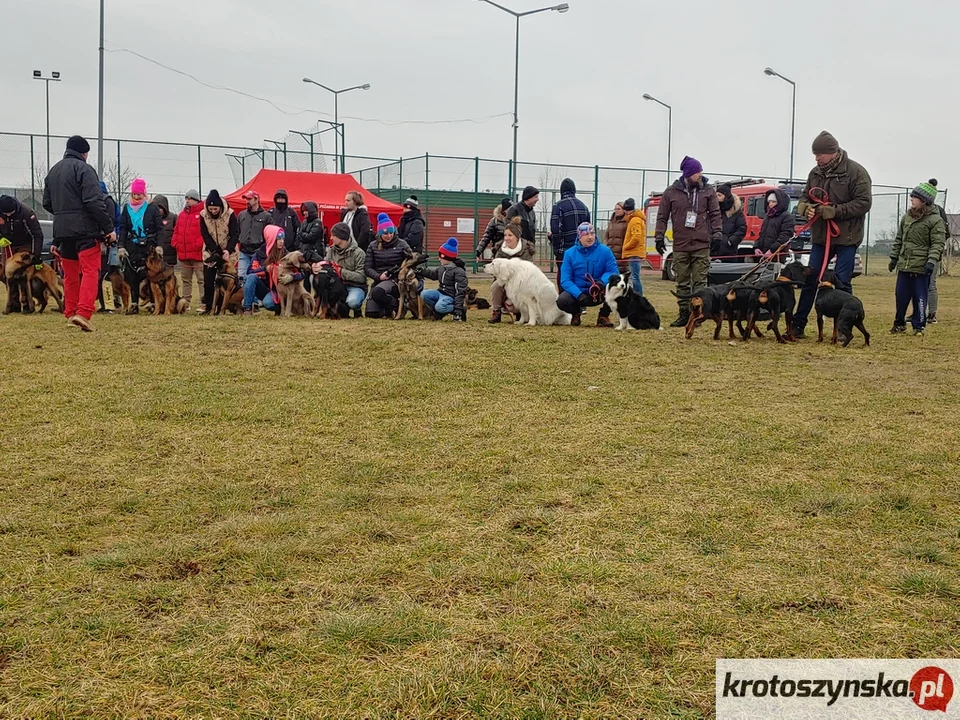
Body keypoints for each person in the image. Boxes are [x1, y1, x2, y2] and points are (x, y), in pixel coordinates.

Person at [792, 131, 872, 338]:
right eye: (815, 154)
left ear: (833, 152)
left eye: (820, 154)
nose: (816, 158)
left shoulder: (856, 172)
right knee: (810, 280)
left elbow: (864, 203)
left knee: (843, 282)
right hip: (820, 237)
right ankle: (797, 325)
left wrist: (835, 211)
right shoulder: (815, 173)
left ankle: (845, 329)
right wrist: (804, 207)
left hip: (847, 238)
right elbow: (805, 195)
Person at [41, 135, 115, 331]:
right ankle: (83, 314)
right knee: (90, 271)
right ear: (85, 153)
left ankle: (70, 312)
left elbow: (47, 202)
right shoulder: (84, 169)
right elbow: (94, 201)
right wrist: (108, 229)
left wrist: (64, 213)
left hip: (62, 231)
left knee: (71, 275)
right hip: (85, 231)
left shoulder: (54, 171)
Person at [654, 156, 722, 327]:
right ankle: (684, 314)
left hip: (701, 243)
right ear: (688, 174)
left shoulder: (708, 191)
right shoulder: (671, 192)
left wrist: (717, 235)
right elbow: (662, 216)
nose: (700, 174)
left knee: (700, 283)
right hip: (681, 244)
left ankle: (697, 316)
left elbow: (715, 214)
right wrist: (659, 237)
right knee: (682, 282)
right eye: (697, 172)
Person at [888, 181, 946, 336]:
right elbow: (899, 239)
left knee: (920, 297)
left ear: (924, 200)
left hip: (922, 267)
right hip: (905, 266)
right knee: (901, 296)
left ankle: (919, 326)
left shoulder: (935, 220)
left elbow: (938, 243)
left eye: (915, 197)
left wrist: (931, 261)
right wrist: (894, 258)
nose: (911, 199)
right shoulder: (906, 217)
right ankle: (899, 323)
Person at [556, 222, 619, 327]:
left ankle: (603, 316)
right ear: (579, 237)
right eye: (586, 234)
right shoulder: (569, 254)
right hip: (578, 294)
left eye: (592, 233)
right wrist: (578, 294)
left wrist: (601, 283)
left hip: (599, 292)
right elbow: (565, 280)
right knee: (562, 301)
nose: (590, 237)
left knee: (617, 289)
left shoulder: (605, 251)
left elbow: (613, 271)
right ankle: (576, 313)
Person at [117, 178, 162, 315]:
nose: (137, 197)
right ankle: (134, 304)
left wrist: (159, 245)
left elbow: (159, 228)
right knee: (132, 275)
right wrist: (121, 246)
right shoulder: (127, 208)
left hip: (149, 246)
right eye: (134, 194)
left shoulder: (152, 208)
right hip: (132, 246)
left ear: (144, 194)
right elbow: (123, 228)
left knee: (151, 275)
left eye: (139, 194)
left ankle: (154, 303)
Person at [0, 194, 44, 314]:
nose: (8, 215)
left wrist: (36, 256)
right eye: (5, 213)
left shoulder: (26, 212)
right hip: (8, 245)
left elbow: (37, 234)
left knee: (23, 276)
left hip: (25, 244)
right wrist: (1, 238)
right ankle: (14, 304)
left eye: (10, 213)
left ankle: (26, 304)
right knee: (8, 275)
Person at [199, 189, 239, 315]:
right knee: (208, 279)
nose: (213, 211)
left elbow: (235, 233)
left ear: (220, 207)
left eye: (215, 209)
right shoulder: (203, 215)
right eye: (211, 209)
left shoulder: (230, 214)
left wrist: (228, 249)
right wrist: (215, 250)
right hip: (211, 251)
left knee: (226, 281)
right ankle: (209, 306)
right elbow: (204, 234)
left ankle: (222, 308)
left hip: (229, 252)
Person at [489, 217, 536, 323]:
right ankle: (496, 311)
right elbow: (496, 270)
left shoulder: (526, 250)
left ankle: (521, 312)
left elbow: (528, 270)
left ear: (517, 237)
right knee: (496, 286)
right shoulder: (500, 250)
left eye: (510, 235)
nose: (506, 238)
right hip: (504, 280)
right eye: (505, 235)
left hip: (522, 283)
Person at [363, 213, 411, 318]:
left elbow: (411, 262)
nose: (389, 236)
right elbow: (367, 267)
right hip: (380, 279)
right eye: (385, 234)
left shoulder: (402, 244)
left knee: (378, 292)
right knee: (371, 314)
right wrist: (378, 276)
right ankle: (387, 309)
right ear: (380, 234)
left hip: (397, 280)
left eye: (391, 232)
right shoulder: (373, 246)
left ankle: (398, 306)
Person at [242, 225, 290, 316]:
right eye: (278, 239)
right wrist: (264, 269)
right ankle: (247, 309)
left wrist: (290, 277)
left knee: (268, 303)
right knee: (251, 277)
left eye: (282, 238)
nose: (281, 241)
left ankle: (280, 307)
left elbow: (300, 273)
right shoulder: (260, 253)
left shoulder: (286, 254)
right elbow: (249, 272)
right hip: (265, 288)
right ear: (270, 238)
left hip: (280, 290)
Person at [171, 189, 205, 311]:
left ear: (196, 200)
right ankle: (186, 303)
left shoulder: (202, 214)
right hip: (183, 254)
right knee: (186, 280)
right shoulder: (182, 215)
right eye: (186, 198)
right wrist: (175, 243)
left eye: (190, 198)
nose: (187, 201)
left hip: (197, 254)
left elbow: (205, 232)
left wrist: (198, 244)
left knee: (201, 279)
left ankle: (204, 302)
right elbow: (176, 230)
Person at [549, 178, 591, 277]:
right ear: (574, 190)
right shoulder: (584, 207)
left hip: (564, 251)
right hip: (581, 250)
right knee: (580, 277)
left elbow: (556, 231)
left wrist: (556, 250)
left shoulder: (558, 206)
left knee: (564, 278)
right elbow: (588, 231)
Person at [325, 222, 368, 318]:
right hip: (337, 287)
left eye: (334, 236)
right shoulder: (331, 251)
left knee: (352, 302)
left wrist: (341, 272)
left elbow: (361, 277)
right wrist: (318, 267)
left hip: (355, 286)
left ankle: (357, 309)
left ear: (341, 237)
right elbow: (326, 265)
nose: (331, 238)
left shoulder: (359, 253)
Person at [421, 238, 468, 321]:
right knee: (424, 294)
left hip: (450, 296)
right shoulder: (442, 268)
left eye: (441, 257)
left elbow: (460, 290)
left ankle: (455, 310)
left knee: (440, 307)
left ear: (448, 258)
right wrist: (421, 271)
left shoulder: (458, 271)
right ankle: (438, 311)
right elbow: (433, 275)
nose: (439, 259)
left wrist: (458, 308)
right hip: (440, 292)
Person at [926, 178, 951, 324]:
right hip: (919, 254)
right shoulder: (916, 211)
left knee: (930, 283)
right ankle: (919, 311)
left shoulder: (938, 212)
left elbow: (945, 233)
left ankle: (932, 313)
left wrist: (935, 247)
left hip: (933, 255)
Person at [96, 181, 121, 313]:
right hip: (99, 242)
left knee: (106, 275)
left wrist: (108, 238)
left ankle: (109, 305)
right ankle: (104, 304)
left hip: (107, 244)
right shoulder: (97, 201)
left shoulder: (107, 202)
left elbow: (109, 222)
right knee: (100, 276)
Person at [237, 190, 273, 281]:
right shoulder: (241, 215)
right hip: (243, 251)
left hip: (258, 252)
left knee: (256, 277)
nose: (247, 201)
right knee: (241, 276)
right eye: (246, 199)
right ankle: (245, 295)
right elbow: (237, 231)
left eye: (249, 199)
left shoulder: (267, 216)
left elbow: (270, 235)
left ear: (256, 199)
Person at [753, 188, 795, 260]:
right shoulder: (767, 215)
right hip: (763, 254)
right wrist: (756, 247)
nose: (770, 204)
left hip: (777, 255)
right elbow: (762, 233)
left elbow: (785, 236)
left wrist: (772, 250)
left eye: (773, 201)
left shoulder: (787, 217)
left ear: (780, 202)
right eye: (769, 202)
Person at [620, 198, 647, 295]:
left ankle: (638, 296)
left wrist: (626, 246)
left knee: (634, 277)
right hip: (635, 252)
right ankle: (637, 295)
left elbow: (636, 237)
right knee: (634, 276)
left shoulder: (635, 220)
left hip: (634, 253)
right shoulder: (634, 219)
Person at [714, 183, 747, 261]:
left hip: (729, 252)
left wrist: (730, 241)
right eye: (716, 195)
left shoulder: (736, 212)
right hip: (713, 249)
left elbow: (742, 228)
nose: (716, 198)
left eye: (719, 195)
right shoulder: (714, 210)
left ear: (726, 196)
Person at [154, 194, 178, 268]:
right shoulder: (150, 219)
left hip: (169, 253)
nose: (158, 210)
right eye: (156, 208)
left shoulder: (173, 217)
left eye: (160, 208)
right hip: (155, 253)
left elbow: (177, 233)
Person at [603, 201, 628, 271]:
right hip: (611, 251)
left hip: (621, 252)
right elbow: (606, 235)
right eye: (615, 209)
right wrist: (606, 245)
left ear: (624, 210)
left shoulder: (627, 222)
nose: (616, 211)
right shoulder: (611, 222)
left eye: (619, 209)